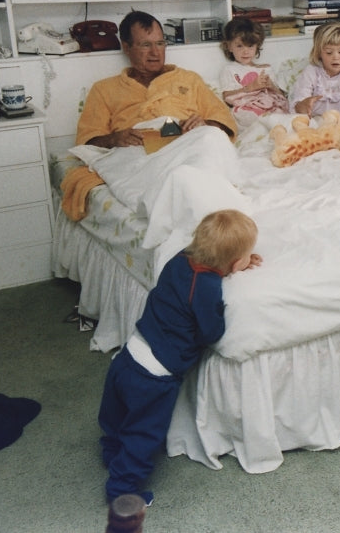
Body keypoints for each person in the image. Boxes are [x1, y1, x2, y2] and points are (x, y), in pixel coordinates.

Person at [98, 209, 262, 504]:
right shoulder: (207, 288)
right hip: (155, 375)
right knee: (144, 434)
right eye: (246, 257)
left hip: (131, 353)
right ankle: (121, 491)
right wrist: (231, 275)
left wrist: (236, 260)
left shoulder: (179, 260)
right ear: (235, 262)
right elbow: (211, 332)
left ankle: (111, 451)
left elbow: (208, 262)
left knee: (117, 414)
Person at [76, 10, 237, 148]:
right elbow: (87, 142)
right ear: (126, 47)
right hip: (136, 156)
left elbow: (224, 122)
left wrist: (205, 125)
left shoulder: (189, 79)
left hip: (189, 147)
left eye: (160, 43)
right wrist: (114, 139)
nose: (155, 53)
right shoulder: (104, 89)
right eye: (146, 45)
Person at [218, 17, 289, 117]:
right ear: (229, 46)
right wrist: (250, 87)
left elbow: (282, 97)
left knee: (282, 114)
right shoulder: (230, 70)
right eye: (239, 46)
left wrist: (271, 86)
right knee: (249, 116)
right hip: (247, 108)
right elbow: (227, 97)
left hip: (269, 107)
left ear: (257, 46)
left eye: (250, 46)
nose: (246, 51)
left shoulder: (266, 69)